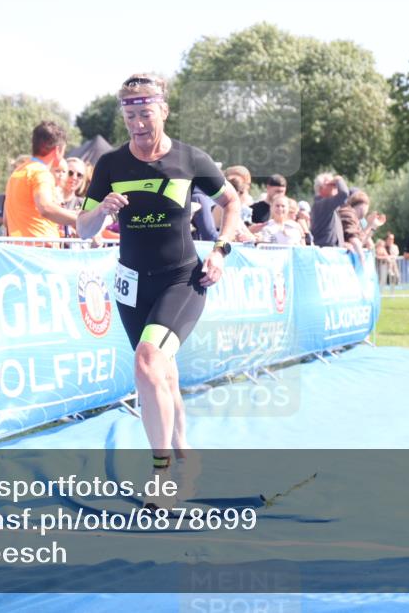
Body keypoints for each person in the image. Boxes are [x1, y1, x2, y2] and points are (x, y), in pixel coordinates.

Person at [75, 73, 241, 508]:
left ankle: (162, 474)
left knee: (147, 363)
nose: (137, 123)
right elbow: (82, 227)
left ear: (163, 111)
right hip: (131, 284)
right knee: (161, 373)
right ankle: (186, 456)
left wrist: (221, 252)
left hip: (182, 280)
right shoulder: (111, 165)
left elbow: (232, 204)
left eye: (145, 113)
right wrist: (102, 211)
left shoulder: (190, 159)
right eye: (129, 115)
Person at [4, 122, 79, 243]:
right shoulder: (41, 173)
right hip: (40, 249)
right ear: (57, 150)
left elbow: (5, 219)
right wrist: (79, 220)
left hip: (20, 248)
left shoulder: (18, 171)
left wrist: (71, 213)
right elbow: (45, 207)